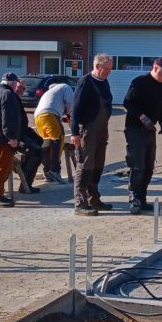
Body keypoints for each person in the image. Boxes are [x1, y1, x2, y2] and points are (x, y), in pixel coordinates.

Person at [123, 57, 162, 215]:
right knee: (138, 166)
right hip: (135, 129)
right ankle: (134, 199)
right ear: (155, 68)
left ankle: (142, 198)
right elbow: (127, 103)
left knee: (149, 167)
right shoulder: (140, 82)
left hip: (150, 130)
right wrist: (142, 117)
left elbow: (160, 105)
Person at [70, 54, 115, 216]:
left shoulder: (104, 82)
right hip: (86, 131)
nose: (109, 72)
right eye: (107, 69)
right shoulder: (85, 82)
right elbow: (75, 109)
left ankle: (93, 199)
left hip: (101, 130)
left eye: (110, 69)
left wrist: (106, 129)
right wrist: (74, 132)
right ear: (97, 66)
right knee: (85, 165)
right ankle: (80, 203)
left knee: (98, 165)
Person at [0, 72, 22, 208]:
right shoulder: (8, 95)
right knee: (2, 167)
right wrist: (12, 137)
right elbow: (8, 119)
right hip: (3, 138)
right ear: (13, 83)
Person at [33, 81, 74, 184]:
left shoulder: (50, 93)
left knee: (46, 145)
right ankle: (54, 170)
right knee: (58, 139)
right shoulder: (66, 86)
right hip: (50, 115)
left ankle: (47, 172)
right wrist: (74, 130)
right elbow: (71, 107)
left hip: (38, 117)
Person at [11, 81, 44, 195]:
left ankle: (26, 175)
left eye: (23, 89)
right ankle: (25, 182)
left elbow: (22, 123)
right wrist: (15, 138)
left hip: (23, 132)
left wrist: (32, 133)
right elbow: (9, 122)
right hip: (14, 137)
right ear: (14, 86)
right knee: (37, 152)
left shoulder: (17, 99)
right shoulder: (10, 99)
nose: (21, 90)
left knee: (40, 142)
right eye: (20, 87)